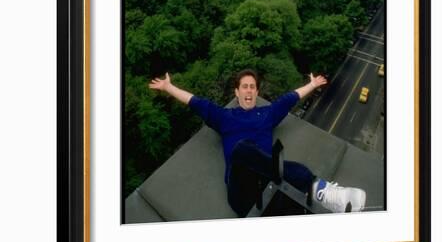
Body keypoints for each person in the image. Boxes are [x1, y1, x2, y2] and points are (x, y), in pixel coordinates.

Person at [148, 69, 366, 217]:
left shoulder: (267, 114)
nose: (249, 90)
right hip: (243, 194)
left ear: (257, 92)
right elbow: (195, 102)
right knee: (243, 150)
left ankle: (328, 195)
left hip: (273, 185)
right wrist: (168, 87)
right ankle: (321, 192)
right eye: (244, 86)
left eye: (253, 87)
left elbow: (289, 99)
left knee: (292, 179)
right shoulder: (224, 117)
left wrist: (312, 84)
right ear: (237, 92)